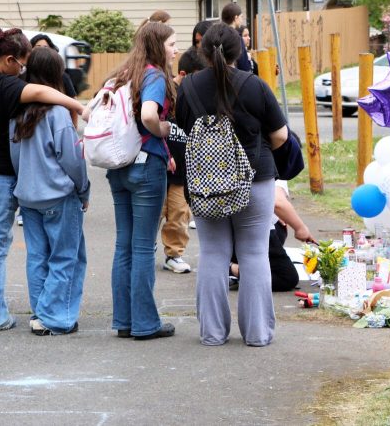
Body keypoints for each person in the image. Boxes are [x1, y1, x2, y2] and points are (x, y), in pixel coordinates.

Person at [0, 26, 86, 332]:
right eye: (20, 64)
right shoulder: (1, 84)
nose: (21, 71)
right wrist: (76, 105)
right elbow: (39, 92)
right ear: (9, 59)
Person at [175, 22, 288, 347]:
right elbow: (280, 136)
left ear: (202, 51)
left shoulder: (190, 87)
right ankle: (257, 334)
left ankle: (212, 333)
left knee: (212, 254)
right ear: (239, 51)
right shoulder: (255, 85)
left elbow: (183, 130)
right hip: (254, 178)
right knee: (254, 254)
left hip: (205, 183)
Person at [104, 21, 178, 340]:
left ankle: (124, 320)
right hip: (146, 166)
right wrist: (163, 130)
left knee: (125, 245)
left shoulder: (123, 73)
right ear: (158, 46)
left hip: (118, 165)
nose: (176, 49)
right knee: (144, 247)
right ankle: (146, 323)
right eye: (172, 44)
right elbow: (149, 114)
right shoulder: (155, 76)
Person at [10, 47, 90, 336]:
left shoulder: (18, 112)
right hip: (58, 195)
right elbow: (72, 158)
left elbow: (15, 158)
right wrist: (84, 190)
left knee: (38, 256)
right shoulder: (58, 114)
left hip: (28, 196)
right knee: (66, 256)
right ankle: (56, 317)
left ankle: (40, 312)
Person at [160, 48, 206, 274]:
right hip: (161, 164)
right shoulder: (167, 92)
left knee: (179, 214)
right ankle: (144, 248)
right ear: (184, 74)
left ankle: (174, 254)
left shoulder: (198, 97)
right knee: (154, 212)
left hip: (183, 170)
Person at [229, 181, 315, 292]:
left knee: (278, 223)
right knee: (286, 278)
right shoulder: (276, 167)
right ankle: (230, 269)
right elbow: (277, 202)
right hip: (249, 226)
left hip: (220, 225)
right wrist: (300, 228)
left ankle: (232, 263)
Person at [29, 33, 77, 98]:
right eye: (38, 47)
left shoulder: (62, 76)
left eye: (45, 47)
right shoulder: (25, 74)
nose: (42, 51)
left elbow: (73, 100)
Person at [220, 3, 253, 72]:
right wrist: (249, 61)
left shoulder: (217, 34)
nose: (242, 20)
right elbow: (244, 67)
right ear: (236, 18)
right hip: (233, 77)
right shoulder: (236, 38)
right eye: (241, 17)